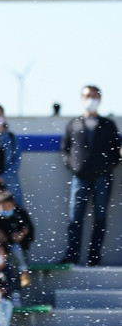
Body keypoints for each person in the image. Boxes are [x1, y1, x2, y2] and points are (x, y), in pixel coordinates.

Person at [60, 85, 121, 265]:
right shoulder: (74, 124)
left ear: (100, 99)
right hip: (80, 177)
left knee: (100, 218)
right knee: (75, 218)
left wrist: (106, 167)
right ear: (81, 98)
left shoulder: (108, 125)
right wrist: (74, 167)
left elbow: (116, 151)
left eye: (94, 96)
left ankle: (94, 257)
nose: (91, 99)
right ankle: (72, 256)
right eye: (88, 95)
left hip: (103, 177)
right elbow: (65, 150)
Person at [0, 192, 33, 286]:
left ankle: (23, 272)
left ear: (13, 205)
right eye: (3, 207)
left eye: (8, 206)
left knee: (16, 250)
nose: (5, 210)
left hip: (13, 250)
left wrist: (21, 235)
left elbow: (29, 232)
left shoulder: (20, 214)